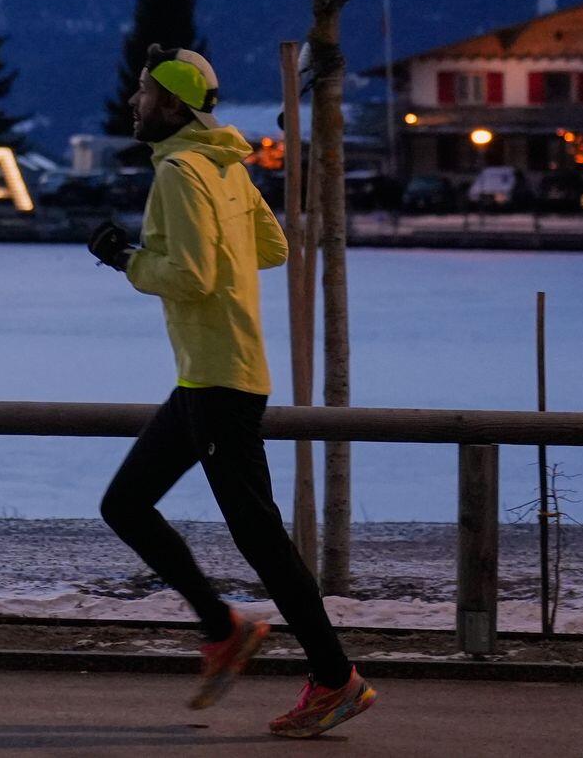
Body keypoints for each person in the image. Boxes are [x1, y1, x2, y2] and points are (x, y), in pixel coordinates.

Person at [87, 45, 376, 739]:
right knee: (125, 504)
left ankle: (335, 678)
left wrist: (127, 258)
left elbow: (192, 276)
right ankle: (224, 628)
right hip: (210, 375)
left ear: (172, 104)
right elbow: (272, 248)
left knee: (261, 539)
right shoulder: (224, 165)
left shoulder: (180, 172)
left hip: (219, 381)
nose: (133, 100)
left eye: (143, 90)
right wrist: (214, 247)